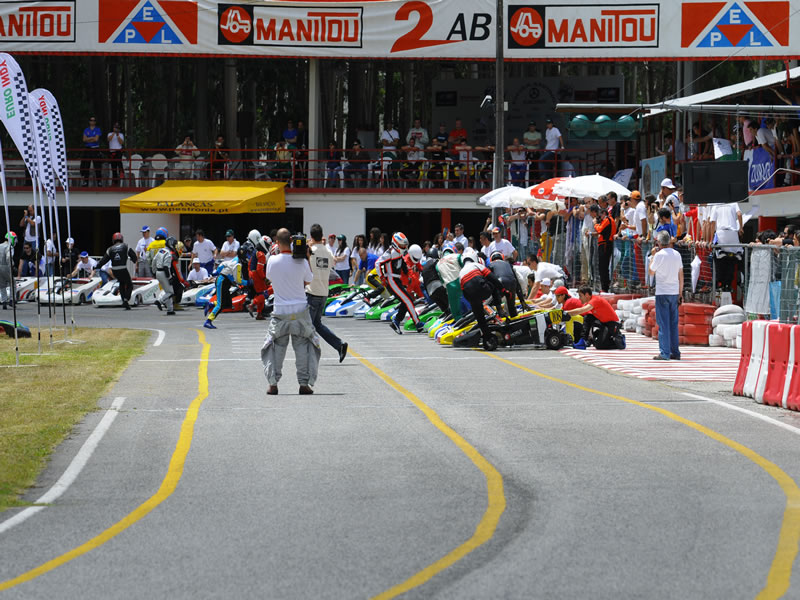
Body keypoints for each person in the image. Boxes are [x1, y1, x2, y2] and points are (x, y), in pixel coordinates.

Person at [261, 228, 320, 395]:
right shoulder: (301, 262)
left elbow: (270, 278)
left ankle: (273, 383)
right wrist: (306, 258)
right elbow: (308, 280)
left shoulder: (272, 260)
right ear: (293, 242)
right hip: (300, 310)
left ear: (277, 243)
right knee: (303, 347)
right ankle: (304, 384)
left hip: (280, 311)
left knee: (276, 347)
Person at [306, 224, 348, 362]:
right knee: (317, 324)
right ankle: (339, 345)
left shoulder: (310, 250)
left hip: (312, 292)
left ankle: (311, 353)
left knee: (308, 326)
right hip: (324, 292)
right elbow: (332, 263)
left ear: (311, 236)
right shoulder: (327, 251)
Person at [459, 248, 506, 349]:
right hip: (484, 290)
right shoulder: (477, 265)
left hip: (471, 296)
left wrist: (474, 304)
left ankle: (487, 337)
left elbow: (463, 291)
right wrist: (503, 290)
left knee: (480, 318)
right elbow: (493, 278)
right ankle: (499, 308)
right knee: (492, 284)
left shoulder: (461, 273)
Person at [378, 232, 424, 334]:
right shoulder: (390, 252)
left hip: (397, 280)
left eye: (405, 245)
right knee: (408, 300)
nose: (404, 247)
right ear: (396, 243)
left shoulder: (398, 252)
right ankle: (417, 323)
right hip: (392, 280)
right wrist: (382, 277)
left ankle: (397, 321)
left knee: (406, 301)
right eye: (403, 245)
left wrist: (408, 273)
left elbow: (402, 264)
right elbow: (378, 263)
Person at [649, 230, 683, 361]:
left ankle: (664, 352)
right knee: (673, 324)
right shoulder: (677, 254)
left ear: (658, 241)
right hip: (674, 291)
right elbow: (681, 275)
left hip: (663, 291)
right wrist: (680, 293)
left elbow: (651, 272)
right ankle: (675, 351)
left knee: (663, 324)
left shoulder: (658, 255)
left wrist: (652, 256)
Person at [565, 285, 624, 349]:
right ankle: (583, 340)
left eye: (580, 296)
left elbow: (582, 310)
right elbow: (582, 313)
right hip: (603, 323)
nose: (579, 298)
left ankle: (619, 339)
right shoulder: (588, 302)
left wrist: (566, 313)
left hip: (611, 324)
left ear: (587, 295)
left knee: (599, 346)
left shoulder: (595, 300)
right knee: (588, 317)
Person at [95, 232, 138, 309]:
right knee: (129, 284)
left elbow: (103, 260)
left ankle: (123, 300)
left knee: (121, 282)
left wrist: (97, 266)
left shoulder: (110, 249)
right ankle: (126, 299)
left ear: (113, 240)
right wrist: (134, 260)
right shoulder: (126, 246)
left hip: (115, 270)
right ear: (121, 239)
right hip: (123, 268)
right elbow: (134, 256)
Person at [152, 237, 186, 315]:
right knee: (170, 292)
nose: (174, 246)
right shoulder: (168, 253)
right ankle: (159, 301)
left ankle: (170, 310)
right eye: (174, 245)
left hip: (158, 272)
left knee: (167, 290)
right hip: (164, 273)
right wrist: (170, 277)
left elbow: (154, 261)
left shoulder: (161, 250)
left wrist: (154, 272)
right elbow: (166, 267)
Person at [488, 251, 528, 317]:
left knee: (489, 303)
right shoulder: (508, 264)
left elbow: (489, 282)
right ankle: (514, 319)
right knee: (511, 307)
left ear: (491, 260)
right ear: (502, 258)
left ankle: (500, 313)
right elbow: (517, 283)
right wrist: (522, 300)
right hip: (512, 283)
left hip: (500, 283)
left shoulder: (490, 265)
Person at [245, 230, 270, 320]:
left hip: (252, 275)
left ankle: (259, 313)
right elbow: (259, 269)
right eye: (268, 245)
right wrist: (265, 278)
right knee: (265, 294)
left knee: (260, 294)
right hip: (257, 277)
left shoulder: (255, 251)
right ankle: (252, 305)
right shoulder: (261, 254)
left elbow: (249, 264)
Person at [592, 205, 616, 292]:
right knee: (602, 266)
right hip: (603, 244)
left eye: (600, 215)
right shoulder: (606, 220)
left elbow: (600, 230)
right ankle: (604, 286)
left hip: (605, 244)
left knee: (603, 267)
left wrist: (595, 224)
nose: (599, 217)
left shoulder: (608, 220)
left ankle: (605, 287)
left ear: (604, 213)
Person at [80, 116, 103, 186]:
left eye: (94, 120)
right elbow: (84, 139)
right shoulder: (86, 130)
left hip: (95, 148)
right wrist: (92, 138)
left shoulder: (97, 129)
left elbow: (96, 139)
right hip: (88, 148)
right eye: (91, 120)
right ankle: (85, 181)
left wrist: (88, 138)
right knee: (86, 165)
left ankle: (99, 181)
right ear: (89, 122)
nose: (92, 122)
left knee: (97, 166)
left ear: (95, 122)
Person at [107, 122, 125, 186]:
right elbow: (109, 139)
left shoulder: (121, 135)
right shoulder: (110, 134)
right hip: (112, 151)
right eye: (115, 127)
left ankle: (121, 173)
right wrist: (114, 133)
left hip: (118, 151)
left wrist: (117, 135)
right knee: (113, 167)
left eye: (117, 128)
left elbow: (121, 142)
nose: (116, 129)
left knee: (119, 162)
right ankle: (115, 181)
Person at [0, 232, 15, 310]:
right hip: (6, 266)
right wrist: (11, 265)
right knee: (13, 283)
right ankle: (12, 300)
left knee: (2, 285)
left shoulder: (0, 246)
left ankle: (4, 302)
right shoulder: (9, 247)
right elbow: (9, 257)